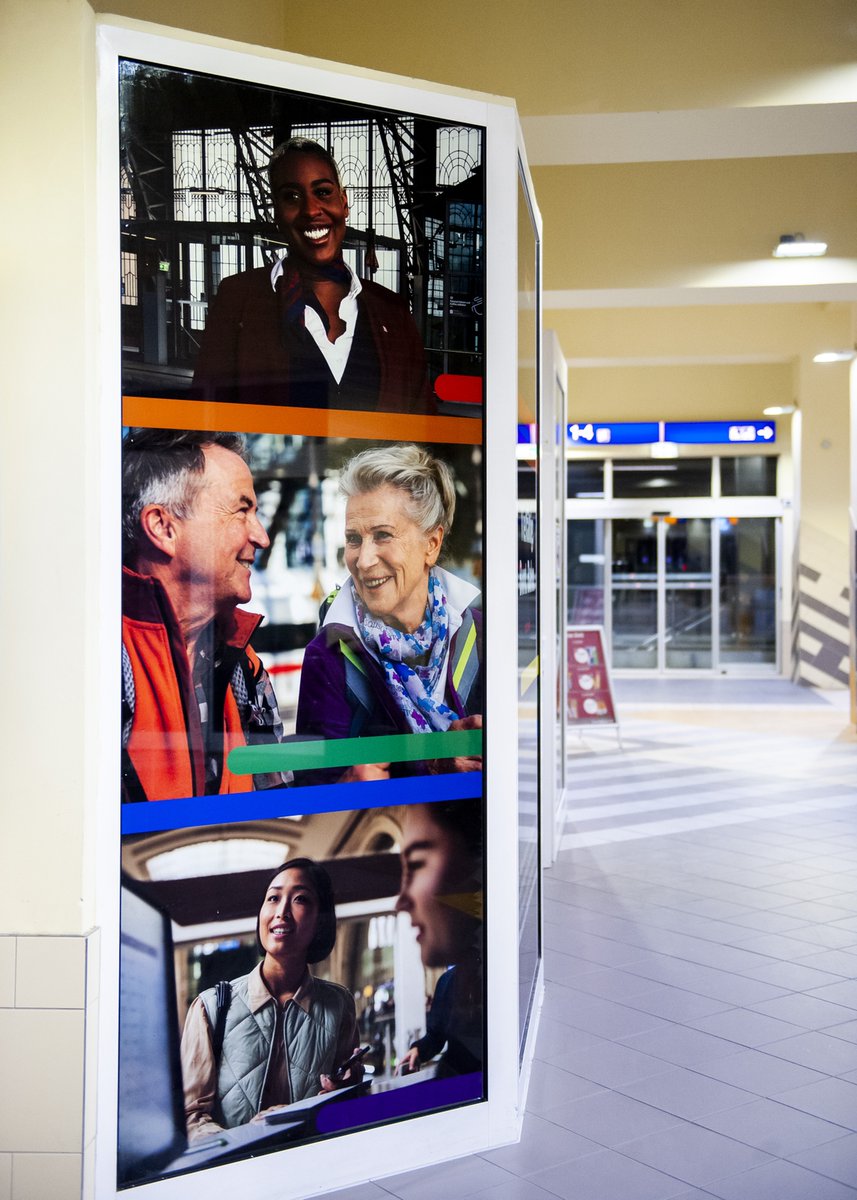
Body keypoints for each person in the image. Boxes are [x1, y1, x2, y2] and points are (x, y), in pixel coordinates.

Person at [192, 138, 435, 413]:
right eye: (291, 197)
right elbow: (205, 416)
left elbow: (423, 423)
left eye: (323, 192)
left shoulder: (392, 311)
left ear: (344, 203)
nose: (310, 210)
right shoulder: (238, 298)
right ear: (276, 213)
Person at [294, 444, 483, 783]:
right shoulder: (328, 655)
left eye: (383, 535)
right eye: (354, 539)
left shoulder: (480, 632)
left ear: (431, 544)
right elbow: (318, 792)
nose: (364, 560)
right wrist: (434, 768)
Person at [121, 428, 285, 802]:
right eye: (242, 510)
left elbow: (275, 815)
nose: (261, 537)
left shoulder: (243, 666)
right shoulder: (99, 667)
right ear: (163, 527)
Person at [181, 858, 363, 1141]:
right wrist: (245, 1138)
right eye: (273, 898)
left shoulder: (338, 1005)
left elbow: (345, 1111)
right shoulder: (210, 1007)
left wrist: (344, 1093)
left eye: (300, 899)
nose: (281, 912)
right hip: (236, 1167)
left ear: (321, 920)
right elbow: (189, 1117)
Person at [395, 800, 483, 1077]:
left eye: (418, 864)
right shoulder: (447, 982)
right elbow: (436, 1036)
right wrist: (419, 1050)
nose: (401, 902)